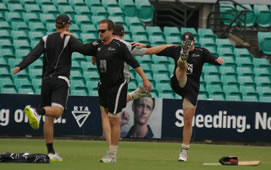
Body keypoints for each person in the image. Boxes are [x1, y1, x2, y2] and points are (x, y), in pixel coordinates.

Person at [12, 14, 101, 162]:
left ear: (56, 25)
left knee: (49, 118)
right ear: (67, 25)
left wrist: (20, 66)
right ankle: (36, 111)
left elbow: (34, 54)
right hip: (60, 80)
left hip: (46, 81)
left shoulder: (46, 39)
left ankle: (51, 152)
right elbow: (85, 50)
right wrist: (99, 41)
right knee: (57, 111)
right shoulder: (67, 38)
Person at [139, 32, 224, 161]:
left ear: (194, 42)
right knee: (181, 66)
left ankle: (184, 150)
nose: (187, 45)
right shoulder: (176, 49)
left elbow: (216, 60)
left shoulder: (202, 52)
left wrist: (218, 60)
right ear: (182, 43)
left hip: (191, 88)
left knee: (188, 120)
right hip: (178, 81)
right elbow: (158, 50)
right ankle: (182, 60)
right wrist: (145, 45)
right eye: (184, 43)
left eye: (189, 43)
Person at [95, 19, 152, 163]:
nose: (100, 33)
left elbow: (134, 62)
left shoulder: (121, 46)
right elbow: (151, 51)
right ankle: (134, 95)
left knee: (111, 118)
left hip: (119, 82)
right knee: (111, 115)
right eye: (99, 31)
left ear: (112, 32)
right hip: (107, 83)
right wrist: (152, 46)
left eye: (103, 31)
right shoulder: (103, 45)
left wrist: (145, 79)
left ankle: (112, 153)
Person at [91, 24, 174, 102]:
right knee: (114, 104)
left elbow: (93, 61)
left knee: (111, 105)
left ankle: (134, 95)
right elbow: (152, 51)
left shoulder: (102, 44)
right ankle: (135, 95)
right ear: (122, 35)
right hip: (121, 79)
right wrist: (169, 46)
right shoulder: (126, 45)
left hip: (107, 79)